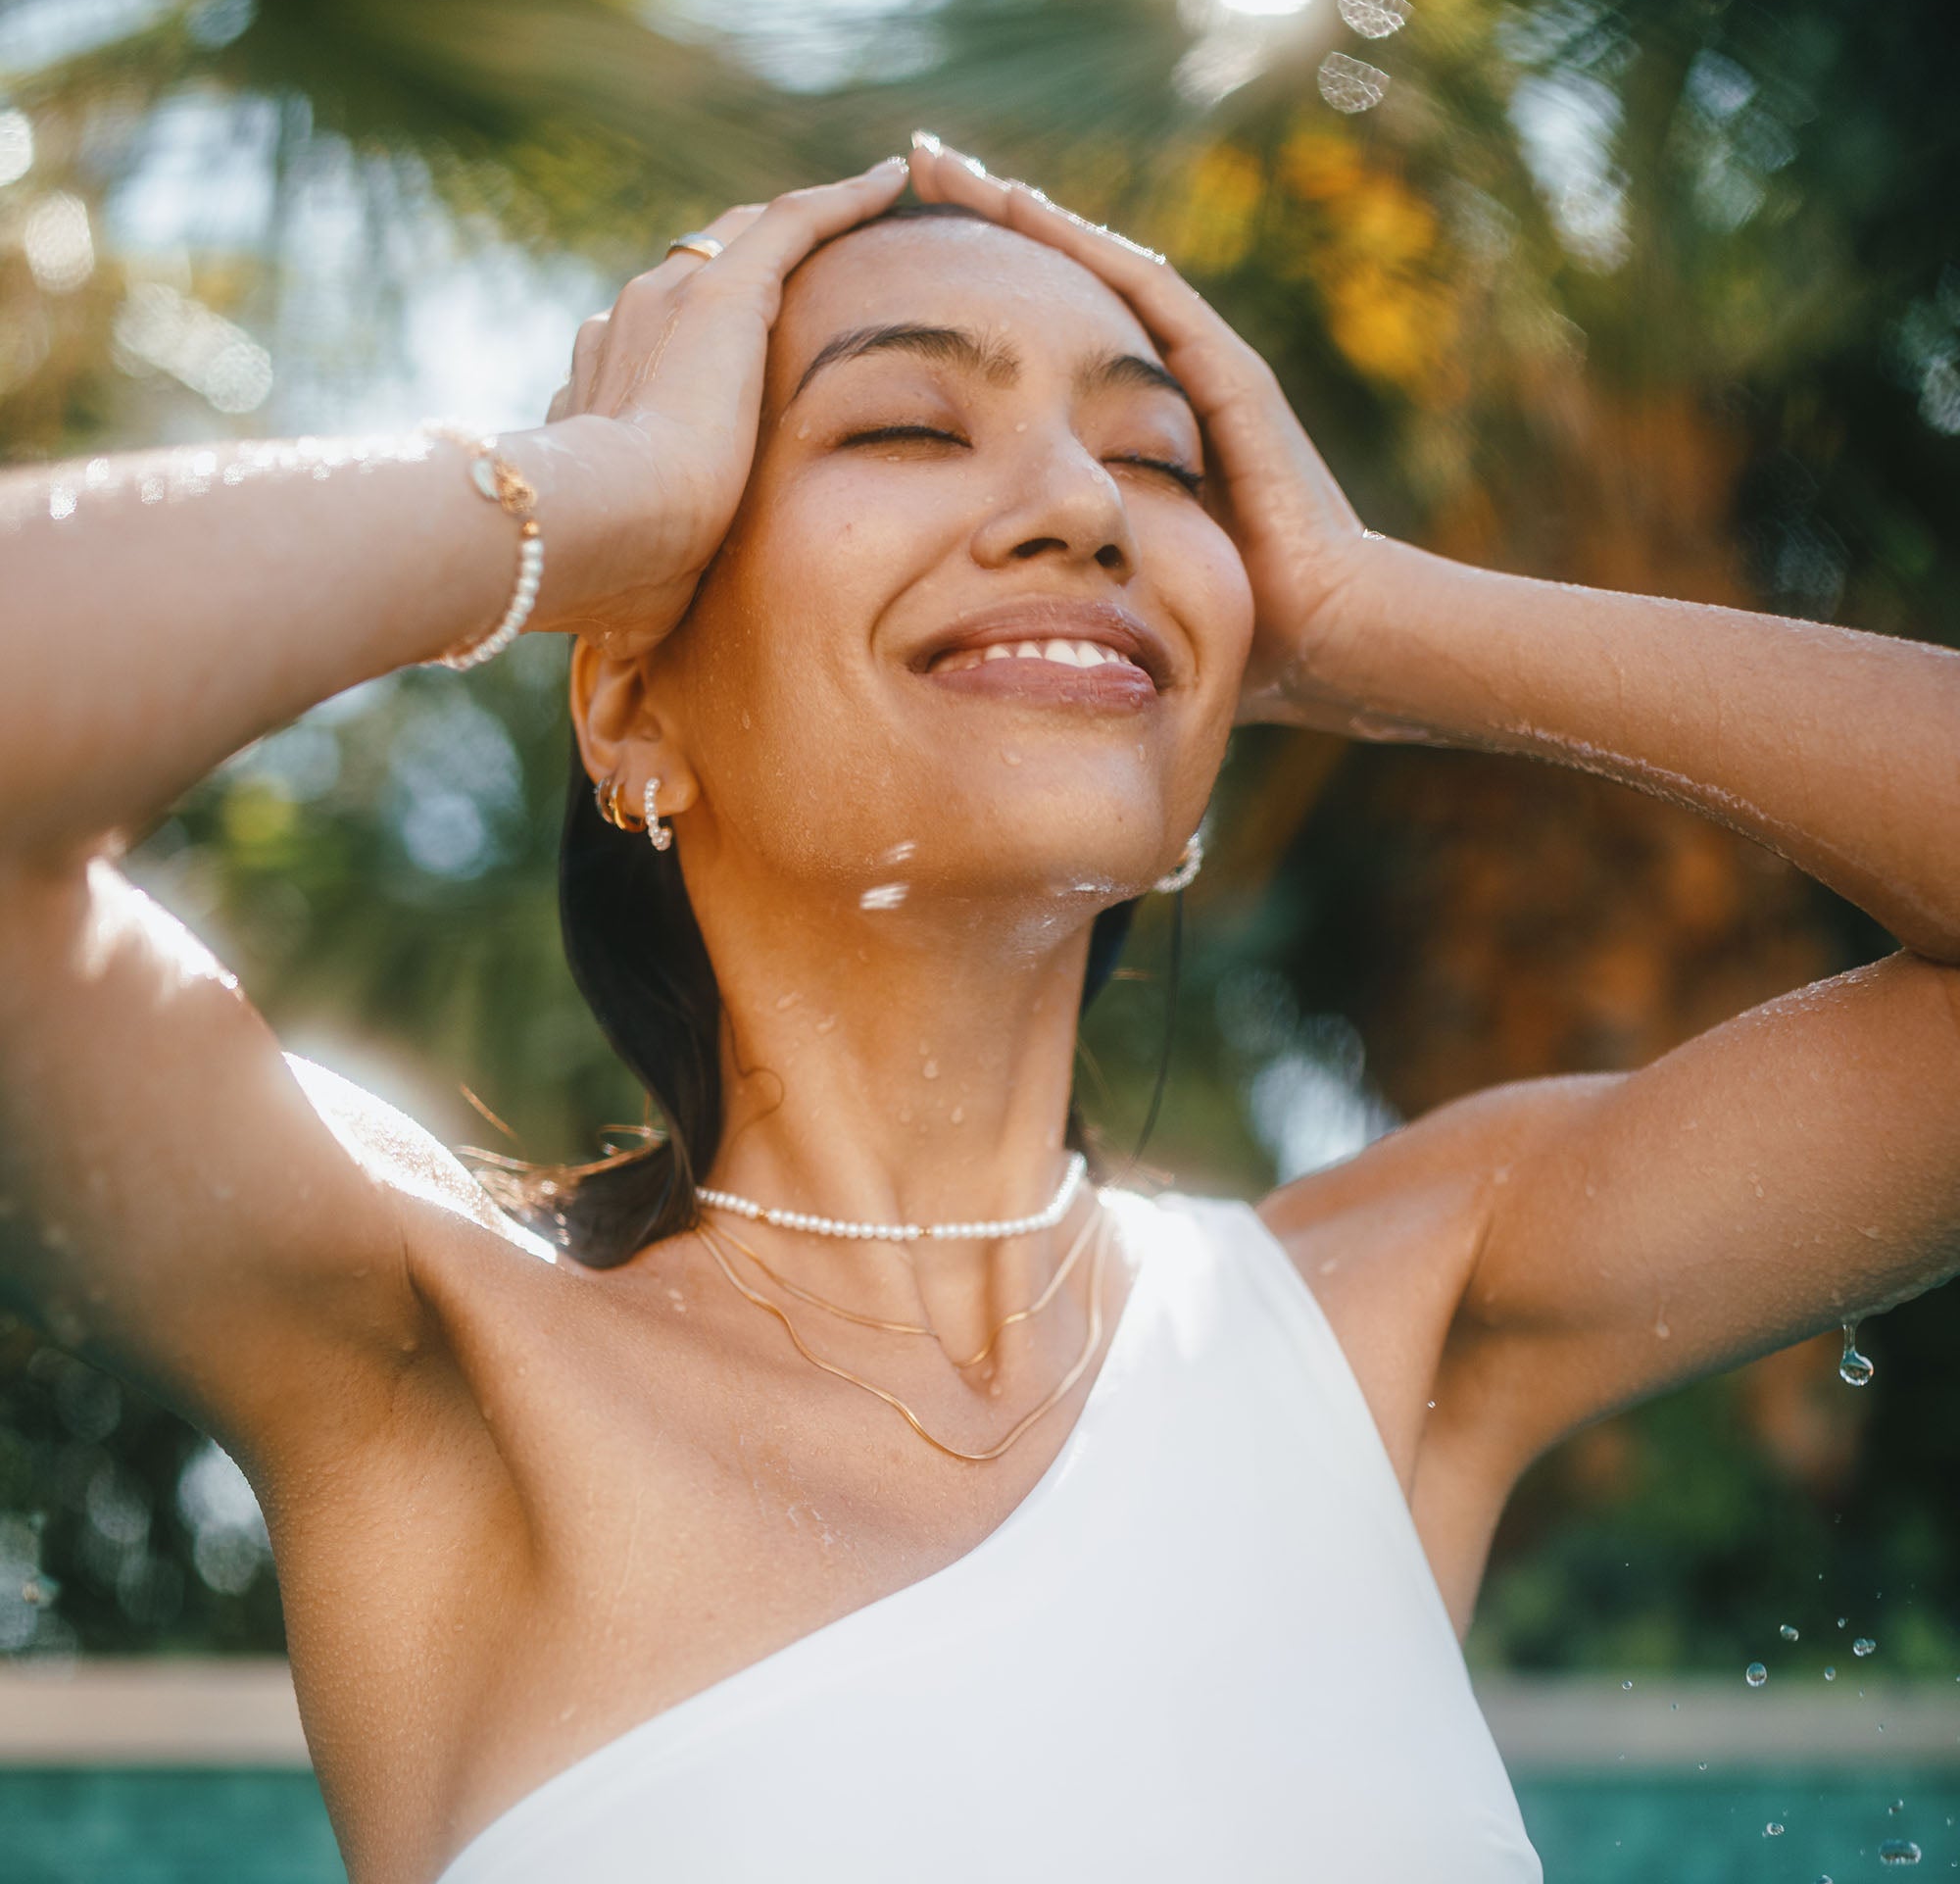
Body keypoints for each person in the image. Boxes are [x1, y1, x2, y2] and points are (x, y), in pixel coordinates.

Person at [0, 130, 1955, 1884]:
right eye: (904, 429)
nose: (1078, 506)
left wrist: (1373, 614)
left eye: (1163, 459)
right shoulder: (418, 1354)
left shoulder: (1395, 1314)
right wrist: (598, 494)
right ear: (635, 709)